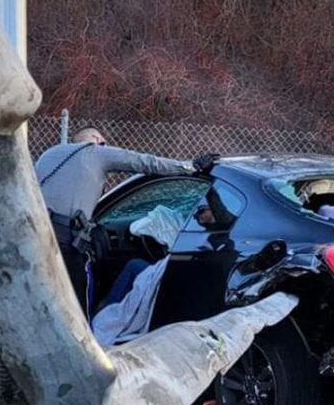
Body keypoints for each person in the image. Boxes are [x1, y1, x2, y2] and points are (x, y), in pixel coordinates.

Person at [35, 126, 215, 315]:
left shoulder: (49, 154)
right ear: (99, 140)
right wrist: (190, 167)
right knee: (77, 301)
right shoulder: (96, 152)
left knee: (40, 290)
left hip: (34, 230)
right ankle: (84, 341)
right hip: (67, 239)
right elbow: (144, 162)